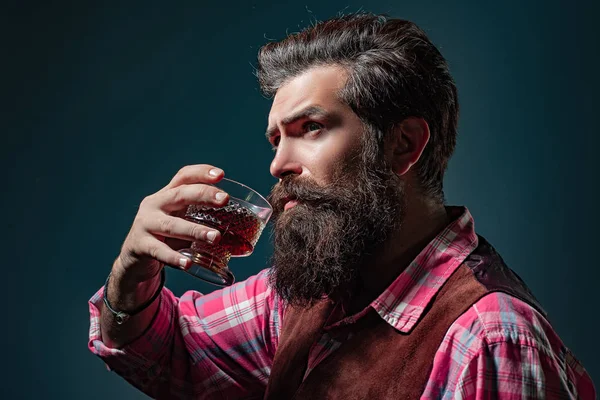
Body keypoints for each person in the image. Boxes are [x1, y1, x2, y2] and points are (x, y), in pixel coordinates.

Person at [88, 13, 595, 399]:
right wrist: (130, 277)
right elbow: (166, 347)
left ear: (403, 145)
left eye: (311, 128)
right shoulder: (304, 297)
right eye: (275, 140)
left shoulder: (491, 339)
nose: (278, 165)